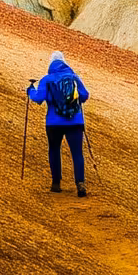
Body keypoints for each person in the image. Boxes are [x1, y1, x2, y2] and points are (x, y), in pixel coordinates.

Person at [28, 53, 93, 197]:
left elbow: (38, 98)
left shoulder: (47, 79)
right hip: (75, 122)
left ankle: (56, 183)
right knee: (77, 153)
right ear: (65, 63)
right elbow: (85, 95)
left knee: (54, 150)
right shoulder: (74, 78)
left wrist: (30, 90)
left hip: (53, 123)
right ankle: (80, 184)